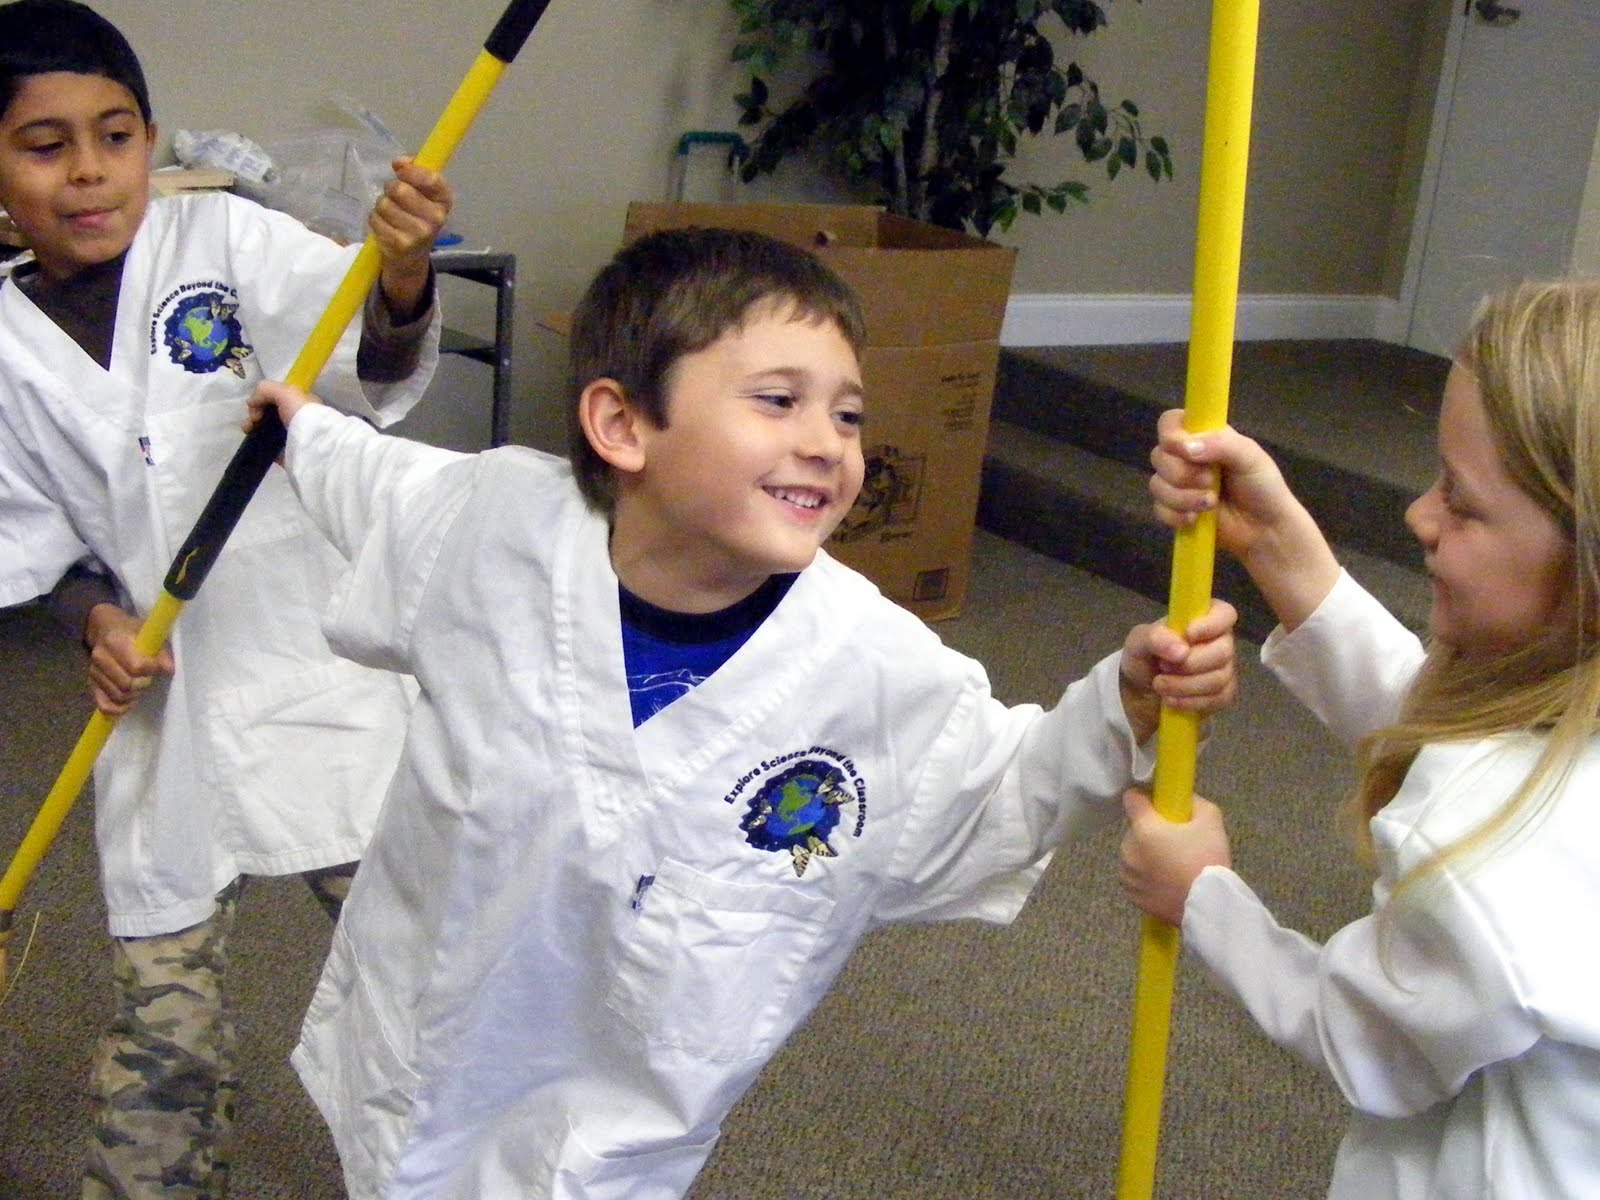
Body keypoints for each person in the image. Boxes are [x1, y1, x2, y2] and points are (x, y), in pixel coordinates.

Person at [242, 223, 1240, 1199]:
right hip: (427, 1034)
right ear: (623, 425)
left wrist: (1124, 701)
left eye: (847, 416)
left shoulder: (869, 666)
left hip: (611, 1135)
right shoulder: (498, 523)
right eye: (777, 401)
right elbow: (380, 485)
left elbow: (1004, 785)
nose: (826, 445)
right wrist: (297, 430)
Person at [0, 3, 454, 1196]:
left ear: (153, 139)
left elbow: (371, 352)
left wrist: (398, 269)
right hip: (163, 708)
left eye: (117, 134)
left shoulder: (226, 244)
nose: (92, 172)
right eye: (45, 145)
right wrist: (96, 619)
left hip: (323, 677)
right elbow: (38, 540)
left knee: (425, 975)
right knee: (163, 1030)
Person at [1120, 279, 1600, 1198]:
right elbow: (1454, 736)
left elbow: (1362, 1038)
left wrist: (1205, 900)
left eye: (1461, 502)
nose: (1419, 515)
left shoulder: (1485, 861)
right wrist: (1277, 547)